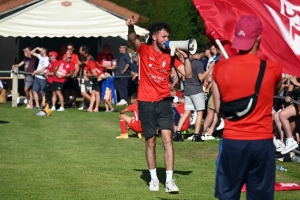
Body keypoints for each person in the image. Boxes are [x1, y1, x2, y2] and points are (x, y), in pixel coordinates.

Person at [212, 15, 282, 200]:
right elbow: (276, 89)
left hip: (233, 140)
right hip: (262, 141)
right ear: (258, 38)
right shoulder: (273, 68)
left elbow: (220, 108)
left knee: (227, 196)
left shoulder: (220, 68)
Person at [126, 16, 192, 193]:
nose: (167, 40)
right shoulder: (144, 50)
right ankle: (154, 179)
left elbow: (188, 74)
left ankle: (169, 181)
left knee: (168, 139)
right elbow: (132, 39)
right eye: (164, 37)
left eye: (168, 37)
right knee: (150, 142)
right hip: (146, 102)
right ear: (155, 37)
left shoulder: (170, 56)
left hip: (164, 101)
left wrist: (185, 58)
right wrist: (131, 29)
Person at [173, 46, 211, 142]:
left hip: (188, 90)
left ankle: (177, 132)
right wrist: (210, 69)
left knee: (187, 112)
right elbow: (201, 77)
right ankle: (196, 135)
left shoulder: (188, 62)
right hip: (196, 90)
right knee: (200, 112)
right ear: (202, 53)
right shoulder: (198, 64)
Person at [63, 43, 79, 108]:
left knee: (73, 90)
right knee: (66, 89)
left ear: (73, 49)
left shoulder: (75, 56)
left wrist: (74, 74)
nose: (69, 50)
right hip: (66, 74)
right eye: (68, 49)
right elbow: (63, 63)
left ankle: (73, 103)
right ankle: (67, 102)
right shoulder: (65, 55)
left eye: (70, 49)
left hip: (72, 75)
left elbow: (77, 66)